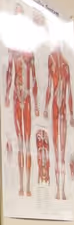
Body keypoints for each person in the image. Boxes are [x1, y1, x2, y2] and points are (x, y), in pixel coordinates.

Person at [4, 43, 38, 197]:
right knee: (20, 142)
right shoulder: (13, 53)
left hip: (27, 99)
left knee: (28, 143)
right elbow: (10, 73)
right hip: (18, 99)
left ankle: (27, 187)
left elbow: (34, 79)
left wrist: (36, 104)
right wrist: (6, 95)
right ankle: (21, 186)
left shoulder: (30, 55)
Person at [45, 46, 73, 200]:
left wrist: (72, 113)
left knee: (61, 153)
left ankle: (61, 190)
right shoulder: (54, 64)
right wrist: (43, 106)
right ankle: (59, 190)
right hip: (56, 111)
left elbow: (68, 91)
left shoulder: (65, 67)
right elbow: (50, 87)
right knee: (57, 152)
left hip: (61, 111)